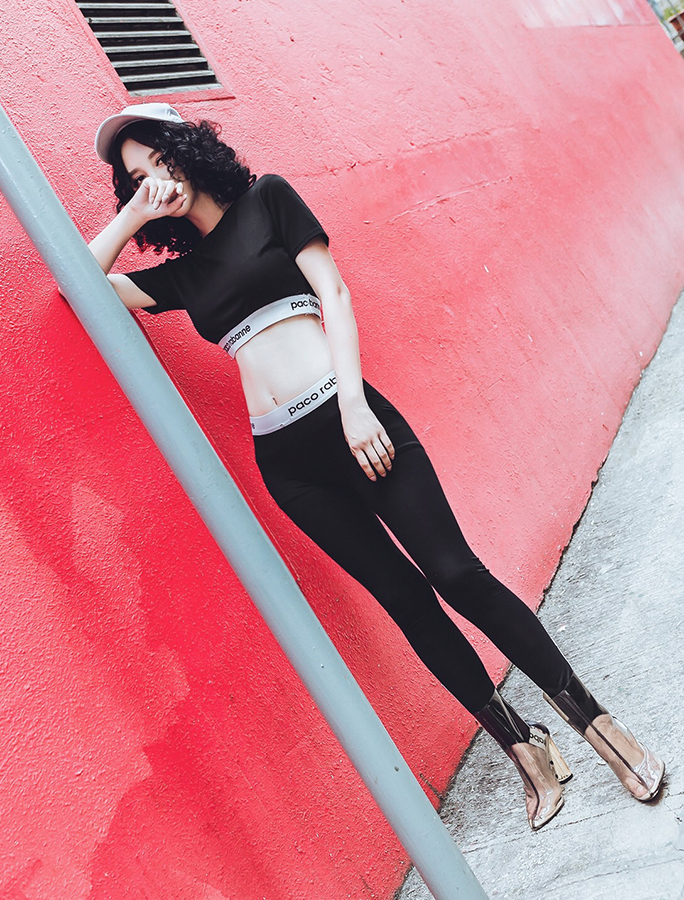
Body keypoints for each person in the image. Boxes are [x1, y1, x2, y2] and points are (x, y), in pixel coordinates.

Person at [84, 102, 664, 830]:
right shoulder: (183, 276)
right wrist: (133, 215)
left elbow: (333, 292)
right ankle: (525, 750)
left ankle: (599, 727)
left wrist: (356, 406)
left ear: (189, 151)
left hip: (351, 416)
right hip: (286, 463)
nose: (154, 181)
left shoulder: (269, 200)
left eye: (159, 160)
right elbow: (82, 283)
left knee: (456, 574)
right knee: (406, 602)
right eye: (137, 177)